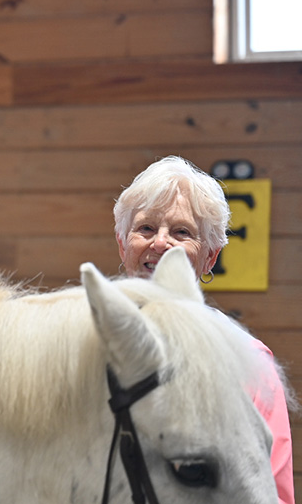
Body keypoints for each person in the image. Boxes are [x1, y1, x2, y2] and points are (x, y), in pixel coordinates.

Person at [113, 155, 295, 504]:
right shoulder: (80, 340)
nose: (161, 243)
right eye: (146, 228)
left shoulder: (249, 361)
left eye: (181, 232)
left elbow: (272, 492)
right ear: (123, 245)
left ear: (210, 257)